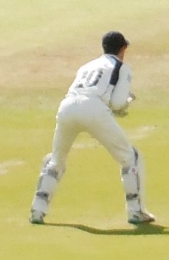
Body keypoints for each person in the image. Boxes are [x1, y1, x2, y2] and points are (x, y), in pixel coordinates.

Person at [29, 30, 156, 226]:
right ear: (123, 48)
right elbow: (117, 102)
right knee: (131, 158)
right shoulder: (121, 67)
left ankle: (37, 210)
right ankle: (136, 211)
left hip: (67, 107)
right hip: (94, 109)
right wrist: (127, 101)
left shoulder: (87, 65)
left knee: (56, 160)